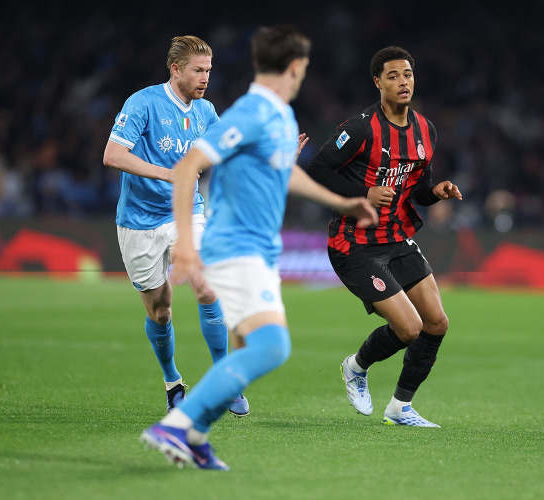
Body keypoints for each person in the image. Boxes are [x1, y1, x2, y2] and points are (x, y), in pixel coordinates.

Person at [139, 25, 378, 470]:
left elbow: (285, 171)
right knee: (271, 347)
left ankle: (195, 435)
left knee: (249, 346)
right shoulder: (252, 112)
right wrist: (186, 246)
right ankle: (177, 425)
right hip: (236, 248)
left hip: (260, 252)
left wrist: (343, 201)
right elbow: (190, 165)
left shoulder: (279, 115)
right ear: (295, 67)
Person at [306, 46, 462, 428]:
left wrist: (435, 191)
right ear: (377, 82)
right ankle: (355, 367)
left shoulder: (425, 130)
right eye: (393, 76)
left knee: (436, 323)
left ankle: (400, 408)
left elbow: (418, 188)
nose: (403, 82)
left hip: (395, 238)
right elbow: (318, 169)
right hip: (354, 244)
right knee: (409, 328)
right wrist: (363, 193)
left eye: (407, 74)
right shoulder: (360, 128)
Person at [103, 36, 249, 417]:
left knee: (206, 285)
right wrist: (167, 173)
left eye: (209, 71)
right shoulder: (143, 103)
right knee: (161, 310)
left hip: (186, 211)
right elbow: (113, 154)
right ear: (176, 69)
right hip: (138, 221)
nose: (205, 78)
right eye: (198, 70)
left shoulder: (206, 111)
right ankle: (172, 382)